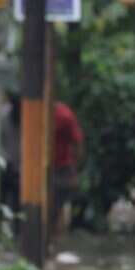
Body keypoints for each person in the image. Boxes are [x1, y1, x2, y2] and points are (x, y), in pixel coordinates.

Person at [51, 100, 83, 235]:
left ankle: (56, 240)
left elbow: (77, 143)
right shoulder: (60, 113)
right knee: (56, 209)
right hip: (52, 168)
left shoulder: (64, 115)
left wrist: (74, 168)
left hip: (61, 168)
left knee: (57, 209)